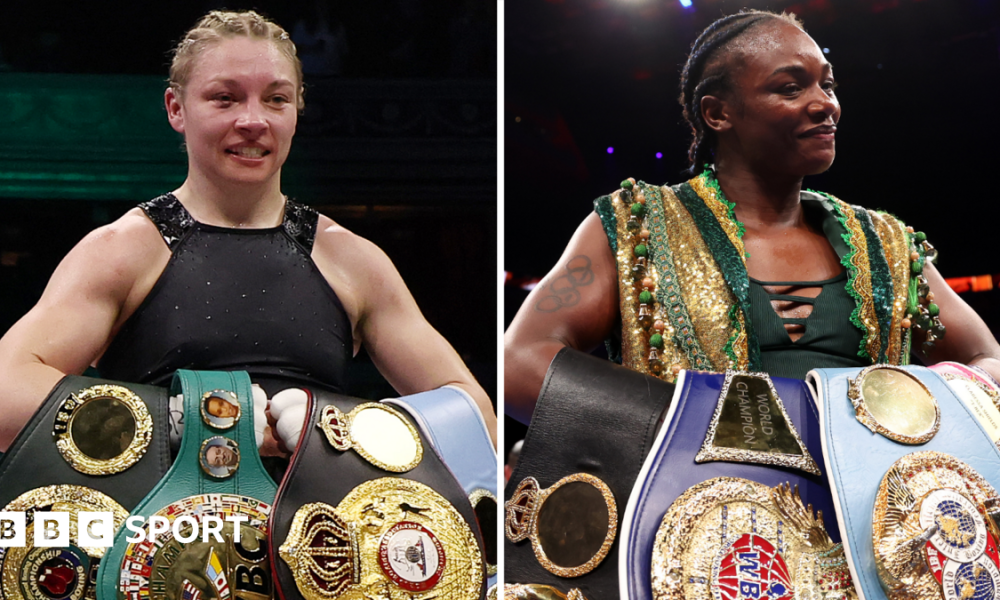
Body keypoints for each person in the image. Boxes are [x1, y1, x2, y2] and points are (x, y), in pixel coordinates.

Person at [0, 10, 496, 452]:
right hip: (157, 538)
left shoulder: (351, 259)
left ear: (297, 111)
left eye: (276, 99)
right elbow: (6, 392)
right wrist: (182, 421)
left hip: (321, 543)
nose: (253, 120)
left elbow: (475, 419)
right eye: (225, 98)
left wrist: (352, 429)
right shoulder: (124, 250)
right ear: (176, 109)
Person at [504, 9, 1000, 424]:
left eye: (828, 85)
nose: (824, 104)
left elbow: (989, 362)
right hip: (699, 520)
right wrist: (683, 422)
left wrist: (911, 404)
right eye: (791, 87)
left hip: (870, 519)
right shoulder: (639, 226)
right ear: (718, 114)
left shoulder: (886, 243)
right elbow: (519, 363)